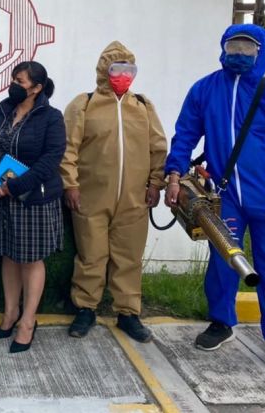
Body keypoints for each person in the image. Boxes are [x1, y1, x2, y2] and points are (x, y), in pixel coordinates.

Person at [164, 24, 265, 379]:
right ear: (223, 47)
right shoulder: (204, 90)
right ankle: (221, 322)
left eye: (248, 48)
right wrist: (173, 174)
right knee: (223, 261)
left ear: (262, 52)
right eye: (235, 45)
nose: (240, 54)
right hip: (224, 197)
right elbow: (185, 134)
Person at [61, 42, 167, 342]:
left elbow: (158, 147)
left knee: (129, 258)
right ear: (103, 70)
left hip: (134, 200)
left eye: (129, 69)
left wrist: (155, 183)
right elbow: (68, 148)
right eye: (116, 68)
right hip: (91, 197)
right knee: (91, 256)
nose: (123, 75)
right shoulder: (84, 104)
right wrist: (70, 184)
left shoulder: (143, 106)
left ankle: (128, 313)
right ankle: (85, 309)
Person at [0, 61, 66, 354]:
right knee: (9, 255)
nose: (14, 84)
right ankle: (10, 313)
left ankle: (28, 322)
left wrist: (14, 186)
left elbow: (51, 159)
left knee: (30, 259)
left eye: (21, 80)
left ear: (37, 88)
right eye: (13, 78)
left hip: (32, 199)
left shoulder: (51, 118)